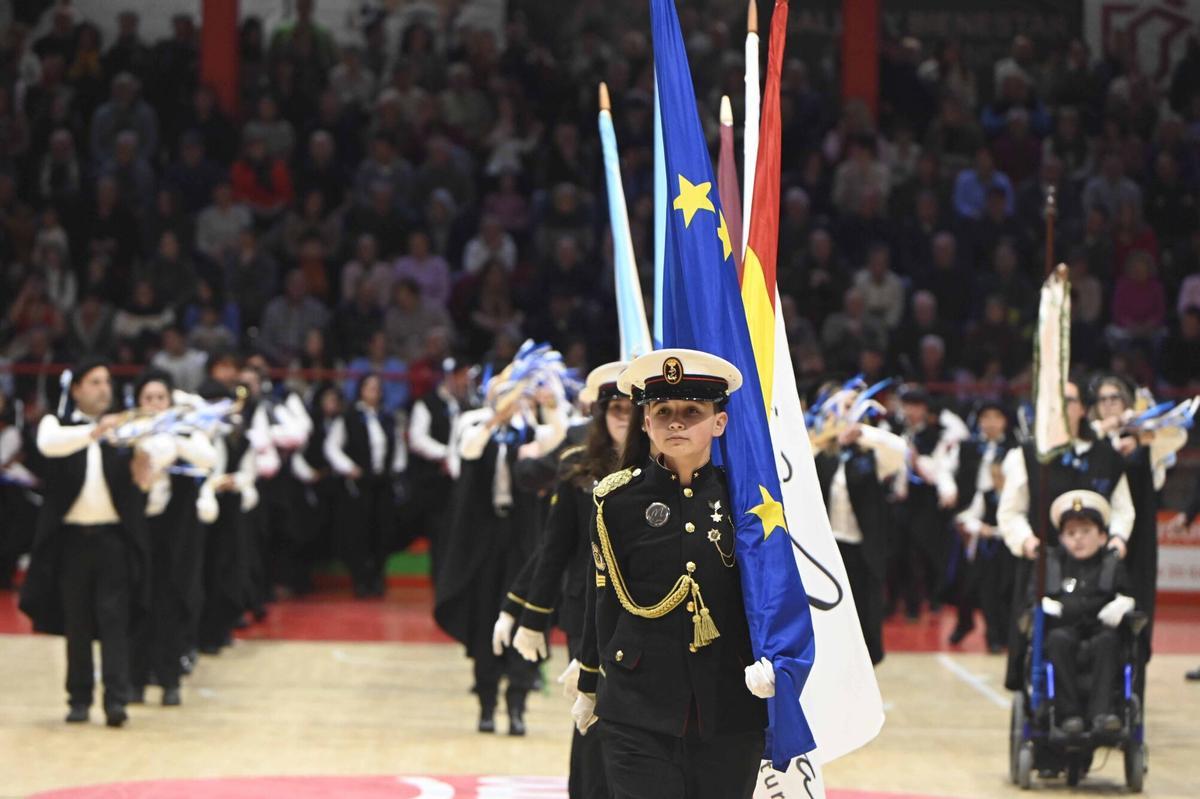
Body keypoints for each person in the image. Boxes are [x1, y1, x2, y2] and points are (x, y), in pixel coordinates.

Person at [574, 349, 769, 799]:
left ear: (719, 422)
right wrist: (589, 680)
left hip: (729, 704)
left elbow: (772, 592)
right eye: (663, 411)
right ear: (646, 423)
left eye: (692, 411)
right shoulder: (616, 501)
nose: (676, 422)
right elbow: (602, 600)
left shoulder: (748, 500)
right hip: (637, 706)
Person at [507, 362, 631, 799]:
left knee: (633, 721)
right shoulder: (577, 466)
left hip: (642, 613)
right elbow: (553, 548)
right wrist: (528, 615)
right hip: (585, 613)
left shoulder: (660, 467)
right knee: (591, 714)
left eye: (632, 407)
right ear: (600, 413)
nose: (623, 416)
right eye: (615, 407)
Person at [434, 360, 568, 737]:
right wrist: (496, 420)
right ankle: (487, 704)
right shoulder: (474, 425)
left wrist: (550, 404)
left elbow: (558, 437)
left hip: (522, 539)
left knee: (526, 616)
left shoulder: (530, 432)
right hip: (483, 541)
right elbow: (470, 451)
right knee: (485, 621)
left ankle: (518, 705)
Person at [18, 359, 153, 727]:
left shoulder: (123, 431)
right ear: (76, 388)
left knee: (115, 623)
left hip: (112, 540)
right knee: (76, 622)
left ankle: (116, 700)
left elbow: (144, 475)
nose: (103, 389)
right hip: (72, 541)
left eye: (107, 381)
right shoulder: (56, 425)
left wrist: (145, 467)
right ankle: (78, 698)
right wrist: (95, 432)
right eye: (94, 382)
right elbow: (49, 445)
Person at [997, 379, 1136, 690]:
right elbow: (1010, 511)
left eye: (1068, 400)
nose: (1059, 407)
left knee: (1107, 638)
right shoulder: (1030, 454)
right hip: (1044, 565)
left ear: (1083, 409)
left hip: (1096, 566)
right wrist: (1026, 542)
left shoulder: (1107, 456)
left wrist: (1118, 539)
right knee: (1040, 639)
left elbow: (1123, 508)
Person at [1088, 376, 1187, 693]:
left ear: (1129, 402)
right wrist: (1109, 429)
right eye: (1103, 398)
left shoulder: (1148, 439)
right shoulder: (1091, 441)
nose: (1110, 403)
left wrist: (1142, 433)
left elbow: (1177, 435)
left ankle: (1134, 700)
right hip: (1096, 546)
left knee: (1138, 618)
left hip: (1139, 545)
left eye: (1116, 397)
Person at [128, 370, 216, 706]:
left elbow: (207, 459)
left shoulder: (183, 432)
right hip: (137, 530)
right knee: (137, 602)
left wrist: (175, 438)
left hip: (175, 534)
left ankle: (169, 680)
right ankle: (135, 679)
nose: (154, 405)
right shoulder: (129, 432)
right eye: (148, 398)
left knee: (171, 601)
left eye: (160, 398)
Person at [811, 384, 906, 665]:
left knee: (865, 618)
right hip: (826, 552)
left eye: (852, 405)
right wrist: (826, 433)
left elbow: (899, 450)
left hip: (863, 552)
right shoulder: (818, 454)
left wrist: (862, 433)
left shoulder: (871, 454)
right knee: (827, 621)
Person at [1037, 490, 1135, 736]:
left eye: (1085, 532)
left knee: (1110, 640)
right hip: (1065, 634)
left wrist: (1125, 603)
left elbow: (1130, 600)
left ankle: (1102, 714)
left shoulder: (1112, 566)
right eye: (1070, 533)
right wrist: (1041, 604)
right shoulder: (1052, 565)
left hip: (1101, 637)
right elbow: (1030, 603)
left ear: (1103, 537)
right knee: (1057, 640)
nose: (1078, 539)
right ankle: (1068, 716)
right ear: (1061, 538)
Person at [323, 373, 405, 598]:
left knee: (383, 531)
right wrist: (349, 468)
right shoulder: (348, 417)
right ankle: (360, 579)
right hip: (358, 484)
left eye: (377, 388)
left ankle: (378, 576)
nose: (374, 392)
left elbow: (397, 446)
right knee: (358, 533)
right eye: (369, 387)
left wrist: (395, 469)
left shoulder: (387, 417)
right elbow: (332, 447)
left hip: (382, 482)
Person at [949, 400, 1018, 652]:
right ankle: (970, 625)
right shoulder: (968, 449)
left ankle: (999, 635)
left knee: (1002, 587)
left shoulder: (1014, 451)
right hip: (977, 531)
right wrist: (973, 524)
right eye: (985, 417)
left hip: (1005, 533)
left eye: (996, 417)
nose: (990, 423)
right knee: (969, 584)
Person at [406, 354, 475, 579]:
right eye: (463, 377)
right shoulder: (427, 403)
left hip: (462, 482)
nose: (467, 382)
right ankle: (440, 580)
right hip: (435, 483)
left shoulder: (468, 405)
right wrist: (446, 454)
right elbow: (417, 439)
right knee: (439, 534)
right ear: (451, 378)